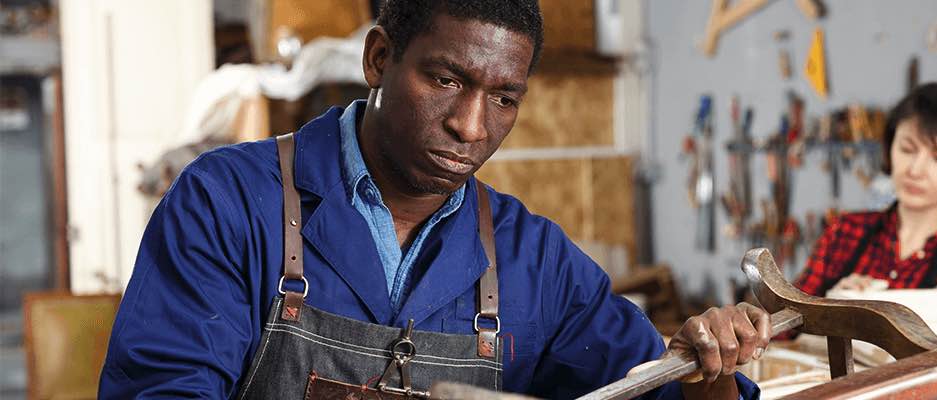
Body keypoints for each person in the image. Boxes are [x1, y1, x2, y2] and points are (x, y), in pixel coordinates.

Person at [99, 2, 770, 398]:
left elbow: (654, 389)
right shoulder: (226, 204)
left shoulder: (530, 259)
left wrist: (704, 367)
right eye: (447, 79)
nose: (472, 127)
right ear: (379, 58)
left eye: (504, 98)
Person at [793, 82, 937, 305]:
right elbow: (779, 328)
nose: (915, 170)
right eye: (907, 149)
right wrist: (832, 304)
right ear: (890, 147)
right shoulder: (845, 233)